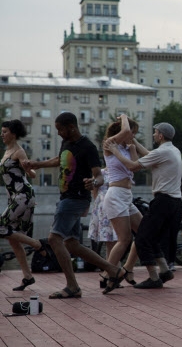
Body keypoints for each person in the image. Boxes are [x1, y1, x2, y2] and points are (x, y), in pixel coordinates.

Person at [25, 112, 127, 298]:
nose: (58, 133)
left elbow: (99, 175)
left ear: (72, 127)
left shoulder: (88, 147)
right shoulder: (67, 143)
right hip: (66, 197)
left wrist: (93, 183)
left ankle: (72, 286)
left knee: (55, 239)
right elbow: (60, 159)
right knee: (71, 244)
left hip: (76, 198)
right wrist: (38, 164)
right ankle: (113, 270)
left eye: (60, 129)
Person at [104, 122, 182, 288]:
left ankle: (151, 276)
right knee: (137, 237)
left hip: (162, 201)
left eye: (154, 133)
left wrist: (117, 150)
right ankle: (162, 269)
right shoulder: (172, 150)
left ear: (160, 136)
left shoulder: (163, 151)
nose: (153, 135)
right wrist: (133, 143)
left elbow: (134, 165)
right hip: (170, 202)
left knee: (141, 238)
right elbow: (149, 156)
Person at [0, 120, 45, 291]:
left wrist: (29, 167)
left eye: (4, 131)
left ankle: (37, 244)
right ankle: (27, 276)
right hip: (14, 198)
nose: (2, 134)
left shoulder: (19, 152)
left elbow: (30, 174)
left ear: (13, 133)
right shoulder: (7, 151)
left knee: (1, 227)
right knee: (13, 238)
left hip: (23, 196)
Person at [101, 114, 142, 290]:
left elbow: (136, 166)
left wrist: (132, 147)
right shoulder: (109, 145)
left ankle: (127, 269)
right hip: (115, 195)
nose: (132, 135)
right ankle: (107, 274)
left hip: (127, 196)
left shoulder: (126, 147)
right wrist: (124, 117)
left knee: (144, 232)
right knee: (124, 239)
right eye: (132, 133)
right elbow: (125, 130)